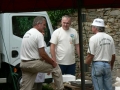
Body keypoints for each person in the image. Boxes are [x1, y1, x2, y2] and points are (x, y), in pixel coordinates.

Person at [20, 16, 64, 90]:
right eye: (44, 24)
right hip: (34, 64)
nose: (45, 27)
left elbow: (33, 52)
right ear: (38, 24)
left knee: (25, 88)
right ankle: (61, 88)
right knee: (56, 68)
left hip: (24, 64)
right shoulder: (38, 34)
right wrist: (52, 62)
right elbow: (42, 54)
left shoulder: (27, 33)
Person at [84, 18, 115, 90]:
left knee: (98, 88)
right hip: (107, 64)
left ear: (95, 28)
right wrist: (111, 66)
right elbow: (113, 55)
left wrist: (84, 68)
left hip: (97, 65)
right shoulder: (110, 38)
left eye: (92, 26)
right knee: (108, 88)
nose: (91, 28)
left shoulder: (93, 38)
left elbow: (90, 56)